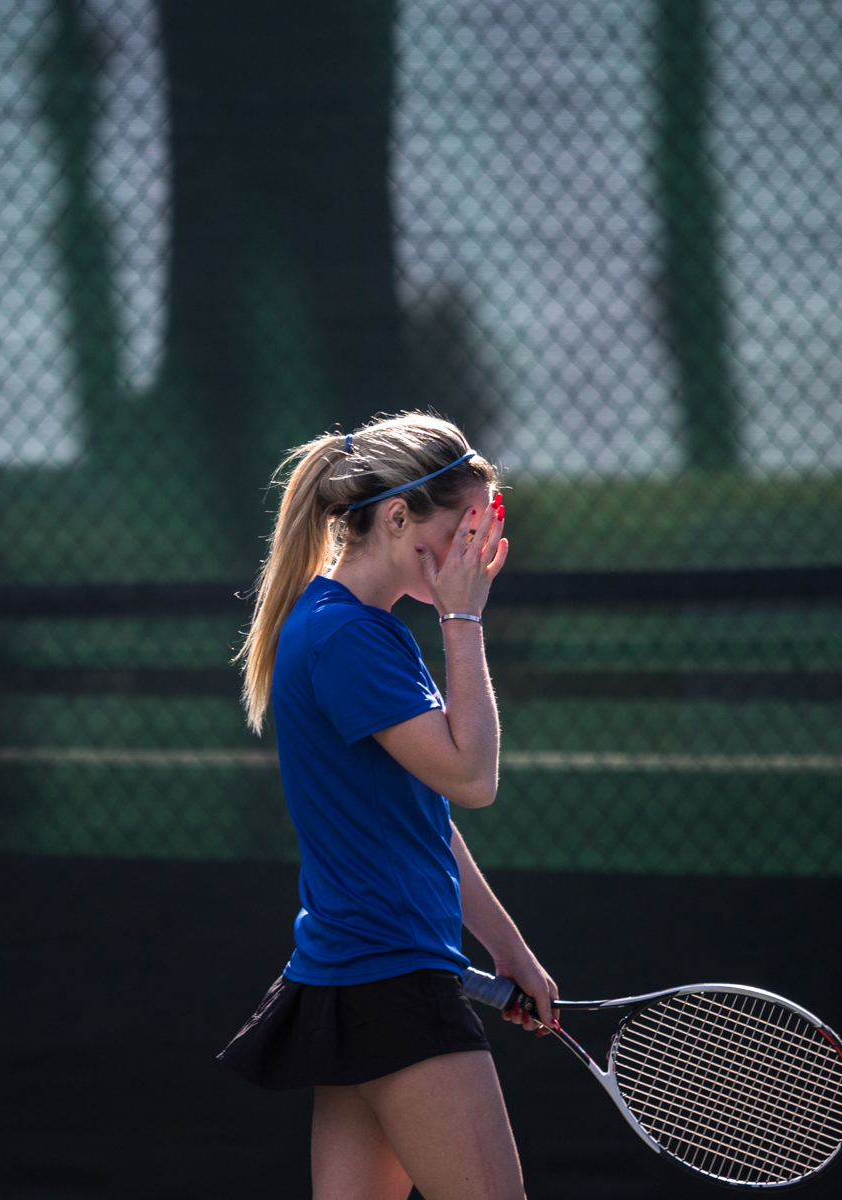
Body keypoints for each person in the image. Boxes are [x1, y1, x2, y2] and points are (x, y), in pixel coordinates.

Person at [218, 413, 558, 1200]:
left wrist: (508, 949)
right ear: (399, 516)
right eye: (460, 529)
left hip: (356, 978)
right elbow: (474, 779)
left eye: (483, 532)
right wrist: (463, 617)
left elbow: (424, 815)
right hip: (389, 983)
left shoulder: (363, 632)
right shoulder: (345, 638)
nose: (471, 553)